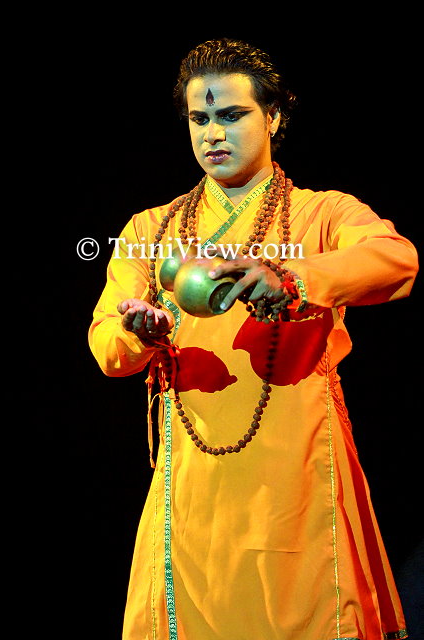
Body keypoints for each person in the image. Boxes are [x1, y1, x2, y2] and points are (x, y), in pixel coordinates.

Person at [88, 38, 418, 640]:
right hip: (194, 486)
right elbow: (107, 341)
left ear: (274, 117)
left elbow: (396, 260)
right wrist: (138, 332)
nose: (213, 133)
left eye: (232, 114)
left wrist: (292, 279)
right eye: (200, 118)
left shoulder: (321, 214)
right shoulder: (151, 229)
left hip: (298, 471)